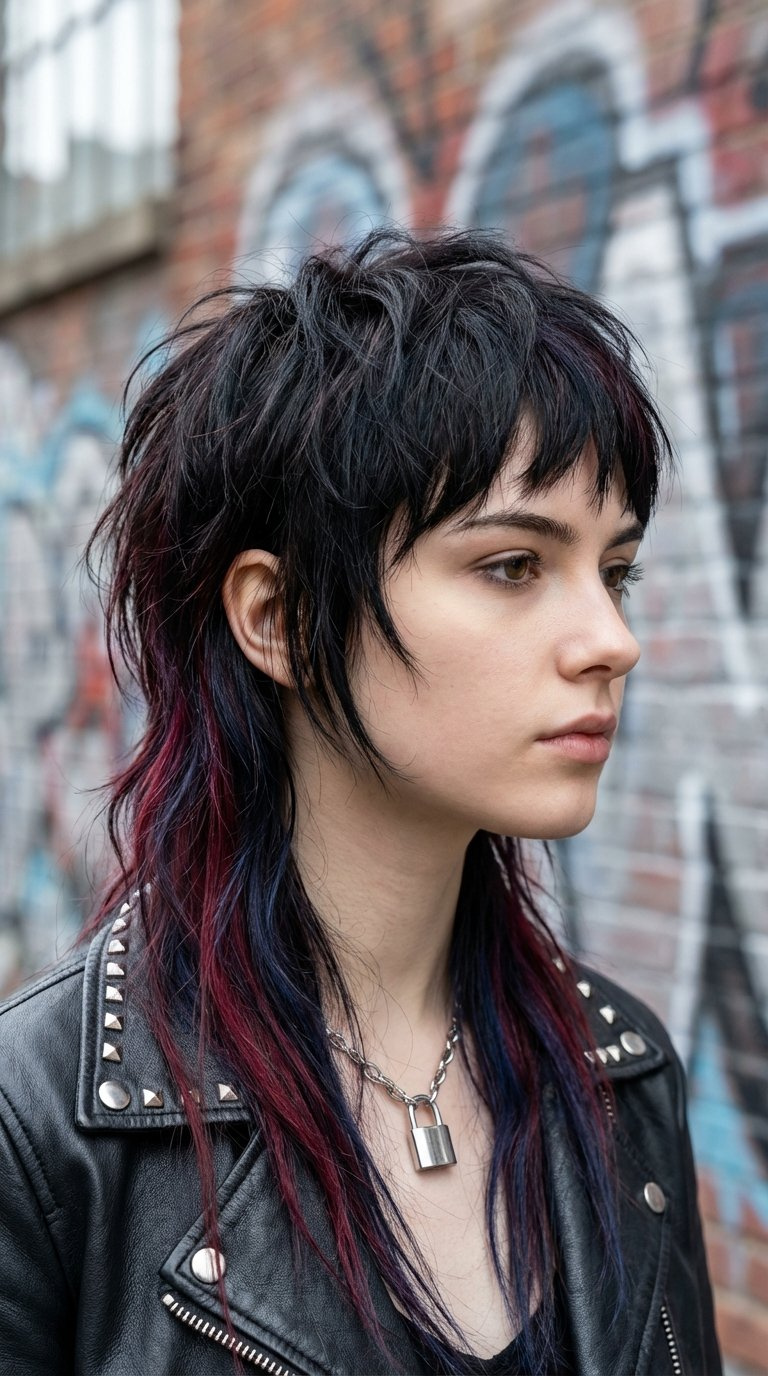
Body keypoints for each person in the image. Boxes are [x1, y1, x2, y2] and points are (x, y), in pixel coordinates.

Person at [0, 227, 721, 1376]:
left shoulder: (621, 1073)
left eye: (614, 567)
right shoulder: (44, 1130)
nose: (612, 640)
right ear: (276, 617)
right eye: (513, 565)